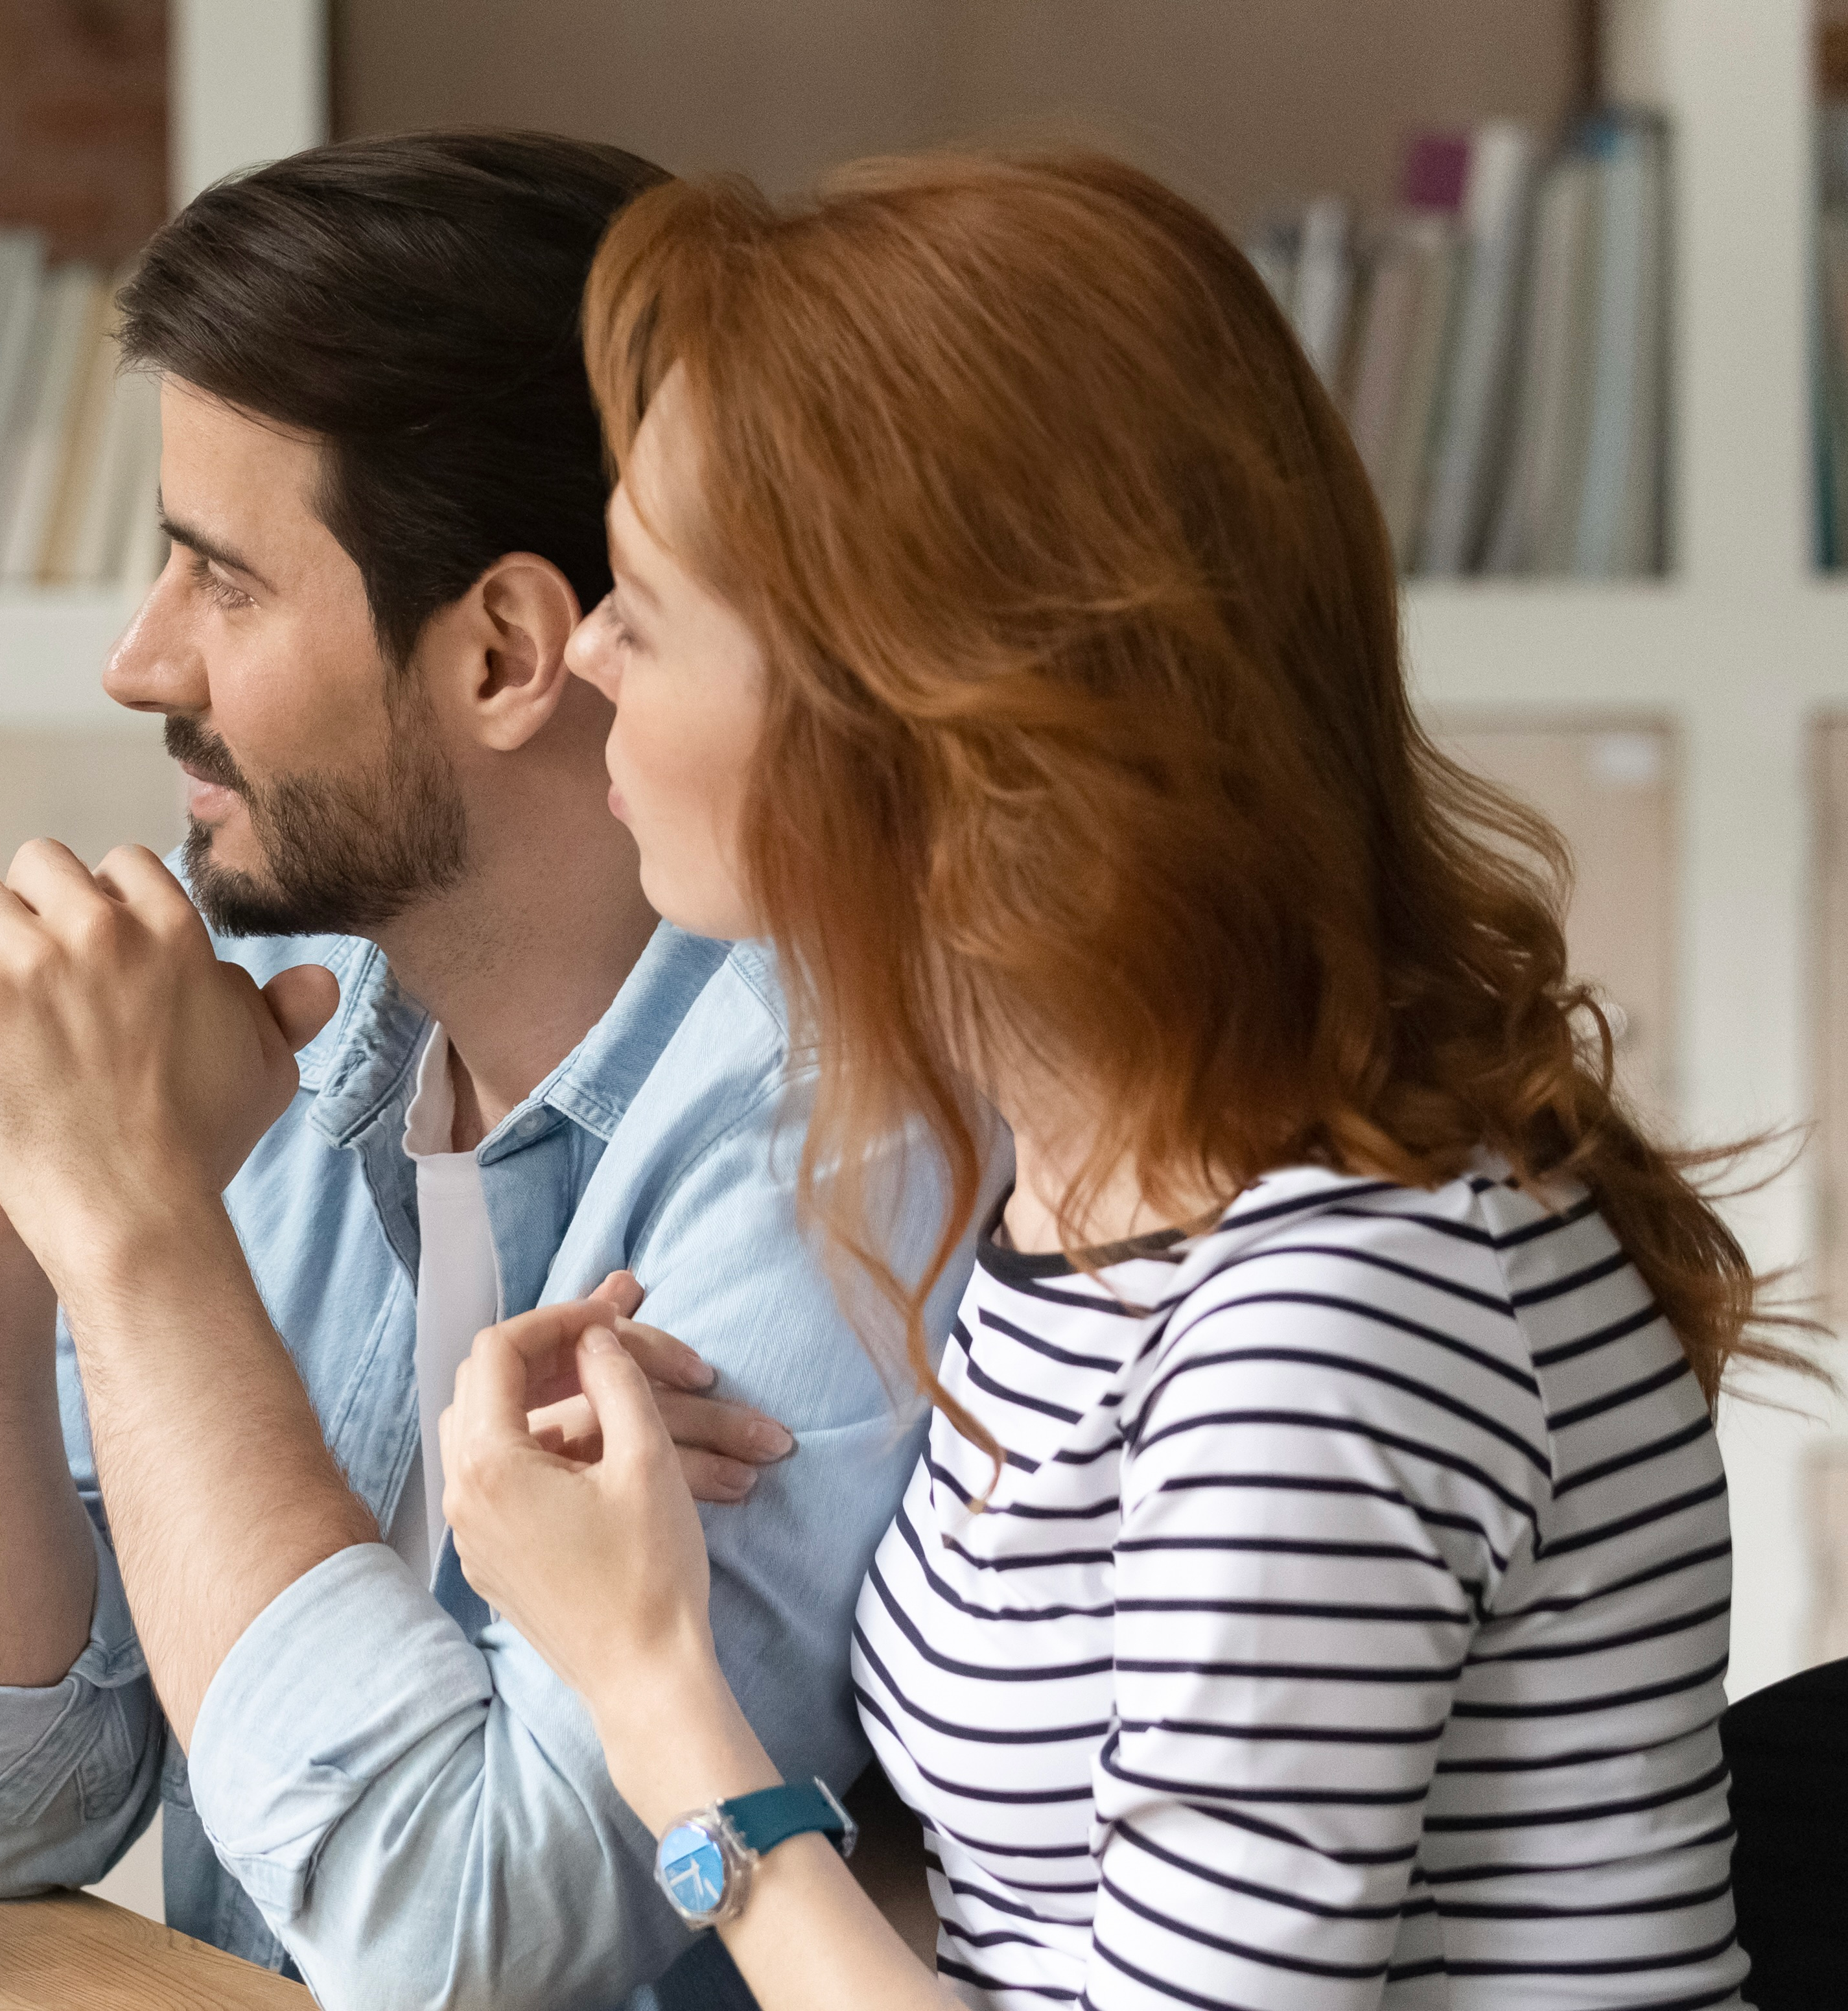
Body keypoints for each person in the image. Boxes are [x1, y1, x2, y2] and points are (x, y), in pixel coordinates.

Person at [438, 149, 1792, 2011]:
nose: (580, 656)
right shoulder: (1086, 1194)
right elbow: (1033, 1923)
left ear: (922, 723)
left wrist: (644, 1674)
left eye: (647, 609)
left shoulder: (1332, 1310)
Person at [0, 132, 957, 2010]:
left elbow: (465, 1949)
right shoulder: (273, 999)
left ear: (508, 648)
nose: (135, 660)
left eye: (221, 581)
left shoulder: (829, 1132)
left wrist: (130, 1234)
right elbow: (0, 1808)